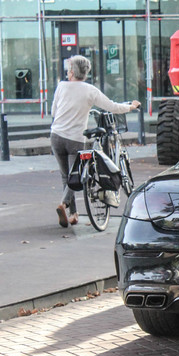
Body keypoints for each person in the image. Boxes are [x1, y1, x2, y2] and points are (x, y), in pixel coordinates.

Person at [51, 55, 141, 228]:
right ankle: (63, 204)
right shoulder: (90, 90)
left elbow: (54, 112)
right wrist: (131, 106)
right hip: (75, 139)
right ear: (85, 73)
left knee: (66, 175)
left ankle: (73, 214)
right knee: (74, 174)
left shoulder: (61, 86)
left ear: (71, 72)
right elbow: (111, 106)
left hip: (56, 136)